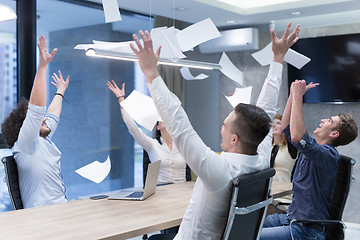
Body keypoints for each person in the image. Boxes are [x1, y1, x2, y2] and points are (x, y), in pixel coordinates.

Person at [129, 22, 300, 239]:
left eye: (225, 125)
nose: (221, 128)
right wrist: (277, 59)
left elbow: (180, 126)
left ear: (235, 138)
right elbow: (265, 110)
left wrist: (151, 72)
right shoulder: (261, 158)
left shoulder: (219, 170)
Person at [260, 80, 358, 239]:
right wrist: (293, 95)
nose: (322, 120)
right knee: (246, 225)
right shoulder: (312, 149)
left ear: (334, 134)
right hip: (290, 219)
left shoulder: (328, 155)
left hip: (306, 230)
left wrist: (299, 97)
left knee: (250, 235)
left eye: (329, 121)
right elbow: (287, 128)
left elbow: (298, 136)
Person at [1, 36, 70, 208]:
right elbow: (37, 109)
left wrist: (60, 91)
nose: (44, 119)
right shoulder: (25, 144)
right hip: (43, 218)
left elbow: (52, 115)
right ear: (26, 127)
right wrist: (42, 67)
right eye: (39, 120)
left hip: (62, 209)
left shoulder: (41, 140)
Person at [107, 81, 187, 185]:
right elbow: (132, 128)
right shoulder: (152, 145)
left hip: (182, 191)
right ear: (158, 127)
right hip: (161, 192)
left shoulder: (183, 145)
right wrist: (121, 99)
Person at [269, 114, 298, 213]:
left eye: (278, 123)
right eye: (272, 123)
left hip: (283, 196)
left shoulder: (291, 147)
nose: (274, 125)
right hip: (269, 192)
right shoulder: (269, 147)